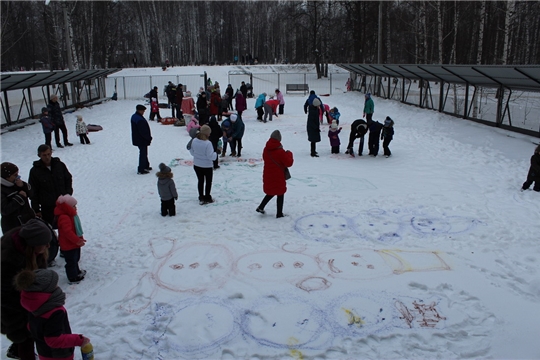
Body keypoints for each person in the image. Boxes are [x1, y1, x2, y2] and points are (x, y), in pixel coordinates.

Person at [1, 219, 52, 360]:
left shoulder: (31, 248)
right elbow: (4, 297)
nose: (48, 246)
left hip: (23, 300)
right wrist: (24, 311)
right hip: (10, 306)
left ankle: (16, 350)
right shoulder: (8, 260)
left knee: (28, 332)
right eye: (44, 244)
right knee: (25, 336)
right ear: (33, 245)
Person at [14, 268, 92, 360]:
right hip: (59, 355)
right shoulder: (54, 311)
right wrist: (79, 340)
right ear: (46, 289)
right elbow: (53, 340)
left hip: (43, 352)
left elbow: (30, 326)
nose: (57, 286)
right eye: (55, 284)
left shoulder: (34, 305)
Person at [256, 130, 294, 218]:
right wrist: (289, 154)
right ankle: (279, 214)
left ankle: (261, 207)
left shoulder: (266, 149)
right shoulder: (280, 151)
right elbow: (289, 163)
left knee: (271, 191)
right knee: (280, 192)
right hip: (278, 175)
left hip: (268, 173)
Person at [54, 195, 86, 284]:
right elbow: (68, 232)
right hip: (69, 244)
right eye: (73, 206)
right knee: (71, 261)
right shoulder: (64, 217)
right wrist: (77, 240)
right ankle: (73, 277)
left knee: (75, 259)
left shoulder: (71, 215)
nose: (75, 208)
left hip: (74, 244)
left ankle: (77, 272)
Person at [1, 162, 35, 234]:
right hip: (13, 227)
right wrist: (20, 197)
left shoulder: (16, 182)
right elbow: (4, 209)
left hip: (28, 221)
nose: (18, 177)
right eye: (15, 175)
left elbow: (32, 194)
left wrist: (23, 185)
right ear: (7, 177)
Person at [189, 125, 217, 205]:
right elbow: (210, 156)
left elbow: (192, 152)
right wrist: (216, 153)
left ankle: (201, 196)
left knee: (200, 181)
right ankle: (207, 197)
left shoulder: (194, 140)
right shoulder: (208, 143)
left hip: (197, 165)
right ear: (207, 134)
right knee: (208, 182)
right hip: (207, 166)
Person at [131, 104, 153, 175]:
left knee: (143, 152)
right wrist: (149, 138)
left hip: (137, 138)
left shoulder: (134, 117)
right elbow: (143, 131)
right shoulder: (140, 119)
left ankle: (146, 165)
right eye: (143, 111)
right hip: (141, 139)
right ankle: (141, 168)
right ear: (139, 110)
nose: (143, 112)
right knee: (143, 153)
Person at [304, 91, 325, 157]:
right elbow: (311, 121)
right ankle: (312, 152)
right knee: (313, 140)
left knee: (314, 140)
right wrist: (316, 128)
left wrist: (305, 110)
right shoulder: (313, 111)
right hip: (312, 128)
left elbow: (305, 105)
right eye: (318, 105)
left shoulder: (314, 108)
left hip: (313, 127)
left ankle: (314, 151)